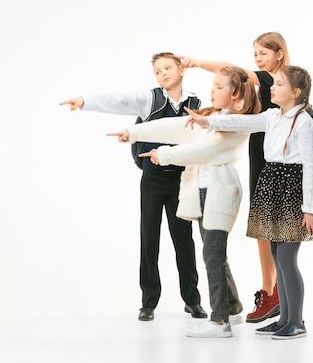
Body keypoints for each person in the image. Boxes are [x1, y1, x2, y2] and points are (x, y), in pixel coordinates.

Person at [108, 66, 261, 337]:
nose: (211, 90)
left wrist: (165, 155)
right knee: (216, 255)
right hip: (203, 193)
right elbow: (177, 127)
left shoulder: (236, 122)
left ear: (235, 92)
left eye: (218, 86)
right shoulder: (211, 115)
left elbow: (207, 150)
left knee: (211, 256)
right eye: (212, 85)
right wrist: (134, 133)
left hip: (219, 193)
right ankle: (233, 308)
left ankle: (219, 321)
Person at [60, 52, 207, 321]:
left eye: (167, 68)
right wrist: (85, 102)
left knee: (184, 241)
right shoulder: (151, 98)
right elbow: (120, 101)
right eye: (158, 71)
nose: (163, 74)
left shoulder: (195, 101)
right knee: (149, 239)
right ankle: (148, 302)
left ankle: (192, 300)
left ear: (181, 70)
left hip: (182, 178)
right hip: (152, 179)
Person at [185, 65, 313, 340]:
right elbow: (243, 123)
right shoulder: (273, 116)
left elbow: (312, 167)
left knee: (286, 257)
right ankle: (283, 318)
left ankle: (296, 321)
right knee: (275, 255)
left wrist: (311, 209)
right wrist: (208, 122)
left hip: (291, 189)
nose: (272, 87)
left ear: (296, 92)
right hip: (271, 183)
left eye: (280, 84)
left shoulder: (305, 122)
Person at [175, 32, 293, 323]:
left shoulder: (273, 79)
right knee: (262, 226)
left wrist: (198, 62)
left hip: (270, 158)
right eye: (254, 53)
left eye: (262, 53)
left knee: (267, 227)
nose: (257, 58)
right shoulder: (275, 81)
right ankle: (272, 290)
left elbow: (233, 71)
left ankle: (272, 291)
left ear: (279, 54)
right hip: (260, 153)